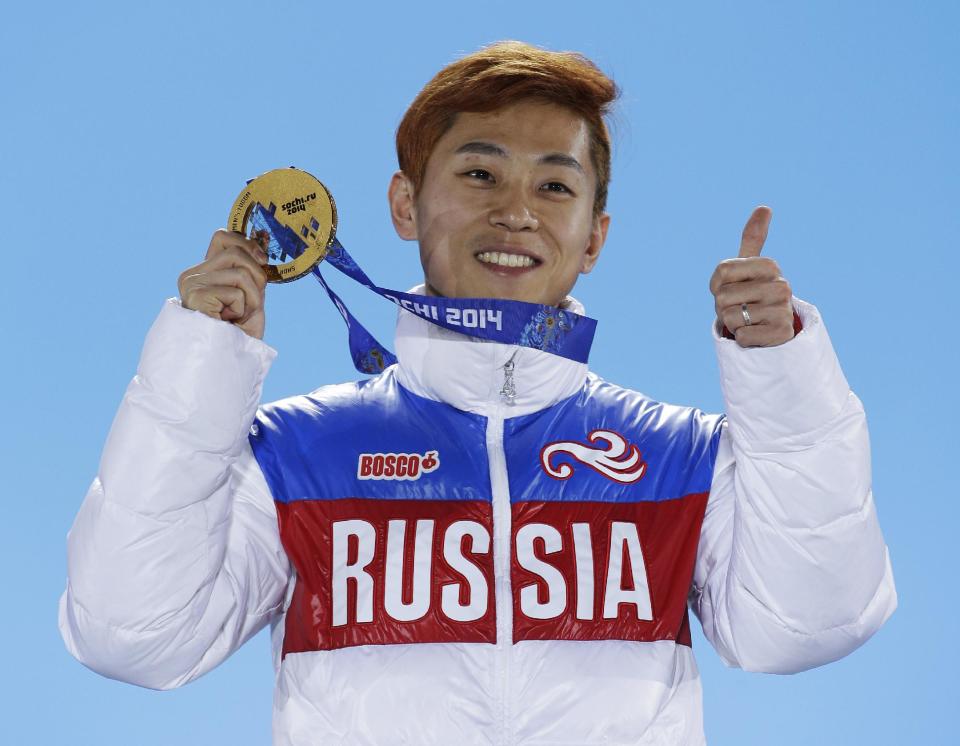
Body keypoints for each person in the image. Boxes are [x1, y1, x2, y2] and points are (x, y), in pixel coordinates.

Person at [59, 41, 897, 745]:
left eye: (556, 186)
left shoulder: (679, 457)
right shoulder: (297, 456)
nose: (517, 213)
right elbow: (133, 637)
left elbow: (806, 623)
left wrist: (781, 373)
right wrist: (201, 365)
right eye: (480, 174)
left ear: (595, 237)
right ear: (404, 204)